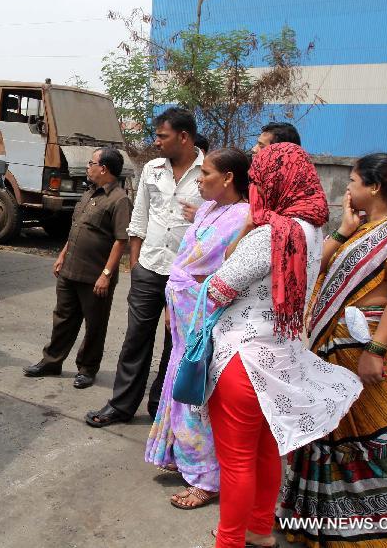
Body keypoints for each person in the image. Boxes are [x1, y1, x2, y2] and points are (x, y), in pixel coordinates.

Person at [202, 143, 362, 548]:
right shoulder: (310, 231)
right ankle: (259, 531)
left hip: (243, 359)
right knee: (266, 453)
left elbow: (218, 289)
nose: (255, 188)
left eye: (257, 180)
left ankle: (229, 541)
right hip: (282, 357)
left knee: (236, 462)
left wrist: (243, 234)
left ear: (274, 182)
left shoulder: (270, 235)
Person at [278, 153, 387, 548]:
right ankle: (326, 528)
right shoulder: (366, 229)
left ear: (375, 187)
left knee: (375, 443)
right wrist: (345, 230)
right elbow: (318, 268)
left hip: (378, 357)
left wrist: (376, 350)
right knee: (330, 441)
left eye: (353, 181)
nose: (347, 188)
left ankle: (383, 535)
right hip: (337, 359)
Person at [145, 148, 251, 510]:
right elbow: (185, 263)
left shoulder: (243, 218)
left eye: (204, 172)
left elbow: (218, 271)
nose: (198, 179)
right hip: (183, 316)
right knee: (179, 387)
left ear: (228, 178)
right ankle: (183, 459)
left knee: (197, 396)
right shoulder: (207, 209)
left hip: (205, 321)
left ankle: (207, 478)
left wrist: (187, 286)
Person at [86, 107, 204, 427]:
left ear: (183, 137)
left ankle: (160, 406)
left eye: (162, 136)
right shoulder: (152, 169)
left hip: (187, 275)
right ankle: (121, 405)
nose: (157, 142)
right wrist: (136, 264)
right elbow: (138, 220)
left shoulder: (209, 172)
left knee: (174, 345)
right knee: (136, 340)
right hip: (149, 268)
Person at [22, 147, 132, 389]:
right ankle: (52, 361)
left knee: (95, 324)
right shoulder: (89, 194)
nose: (88, 167)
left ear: (103, 168)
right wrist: (62, 256)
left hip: (95, 276)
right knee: (63, 318)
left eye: (91, 163)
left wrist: (106, 274)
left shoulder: (119, 199)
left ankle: (87, 368)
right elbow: (76, 229)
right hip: (70, 269)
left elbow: (120, 240)